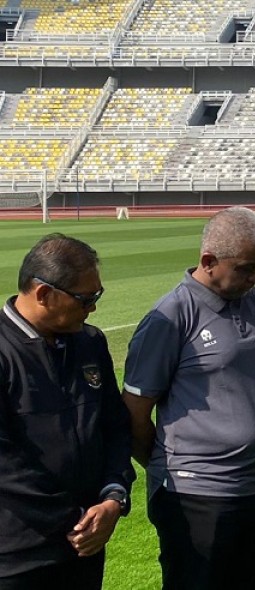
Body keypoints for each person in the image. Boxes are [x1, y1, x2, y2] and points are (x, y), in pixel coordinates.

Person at [123, 206, 255, 590]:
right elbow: (132, 414)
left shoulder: (252, 299)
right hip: (198, 498)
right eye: (247, 268)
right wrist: (173, 467)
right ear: (209, 261)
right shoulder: (170, 317)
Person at [0, 235, 134, 590]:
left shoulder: (90, 342)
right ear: (44, 294)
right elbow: (5, 464)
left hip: (84, 547)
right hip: (17, 555)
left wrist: (114, 495)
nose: (93, 309)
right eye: (86, 299)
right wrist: (74, 519)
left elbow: (115, 425)